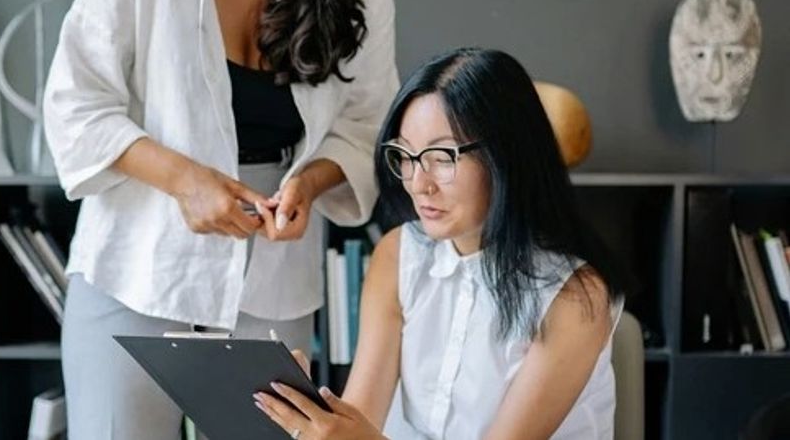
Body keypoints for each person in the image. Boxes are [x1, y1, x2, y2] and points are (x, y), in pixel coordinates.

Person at [42, 0, 397, 437]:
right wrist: (185, 181)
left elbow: (366, 120)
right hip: (137, 264)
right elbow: (75, 102)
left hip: (274, 275)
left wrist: (311, 183)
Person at [256, 48, 624, 440]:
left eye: (443, 157)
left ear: (506, 155)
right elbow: (363, 417)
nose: (418, 183)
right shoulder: (398, 253)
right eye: (406, 155)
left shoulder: (575, 297)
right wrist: (313, 413)